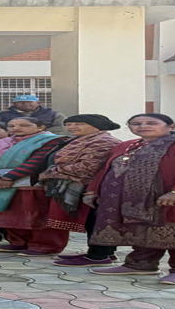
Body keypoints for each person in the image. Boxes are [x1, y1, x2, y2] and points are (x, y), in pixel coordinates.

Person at [84, 114, 175, 285]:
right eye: (136, 123)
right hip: (139, 202)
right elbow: (107, 168)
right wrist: (92, 191)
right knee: (143, 232)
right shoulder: (127, 146)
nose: (142, 126)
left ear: (171, 126)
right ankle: (140, 264)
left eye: (151, 123)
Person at [0, 117, 71, 256]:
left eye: (24, 125)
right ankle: (18, 242)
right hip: (2, 183)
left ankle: (44, 246)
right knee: (12, 215)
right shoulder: (4, 142)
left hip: (34, 185)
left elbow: (38, 161)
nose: (16, 128)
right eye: (11, 125)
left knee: (37, 215)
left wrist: (9, 177)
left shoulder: (52, 141)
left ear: (41, 127)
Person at [36, 115, 123, 268]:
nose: (72, 127)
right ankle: (103, 253)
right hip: (81, 184)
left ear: (97, 126)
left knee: (96, 220)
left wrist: (51, 172)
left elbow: (87, 167)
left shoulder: (103, 141)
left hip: (94, 185)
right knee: (92, 220)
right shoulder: (81, 139)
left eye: (79, 124)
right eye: (69, 124)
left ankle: (98, 255)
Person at [0, 95, 67, 135]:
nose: (25, 104)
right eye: (21, 102)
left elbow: (61, 127)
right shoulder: (1, 115)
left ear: (38, 103)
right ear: (14, 104)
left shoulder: (53, 114)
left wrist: (37, 133)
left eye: (29, 102)